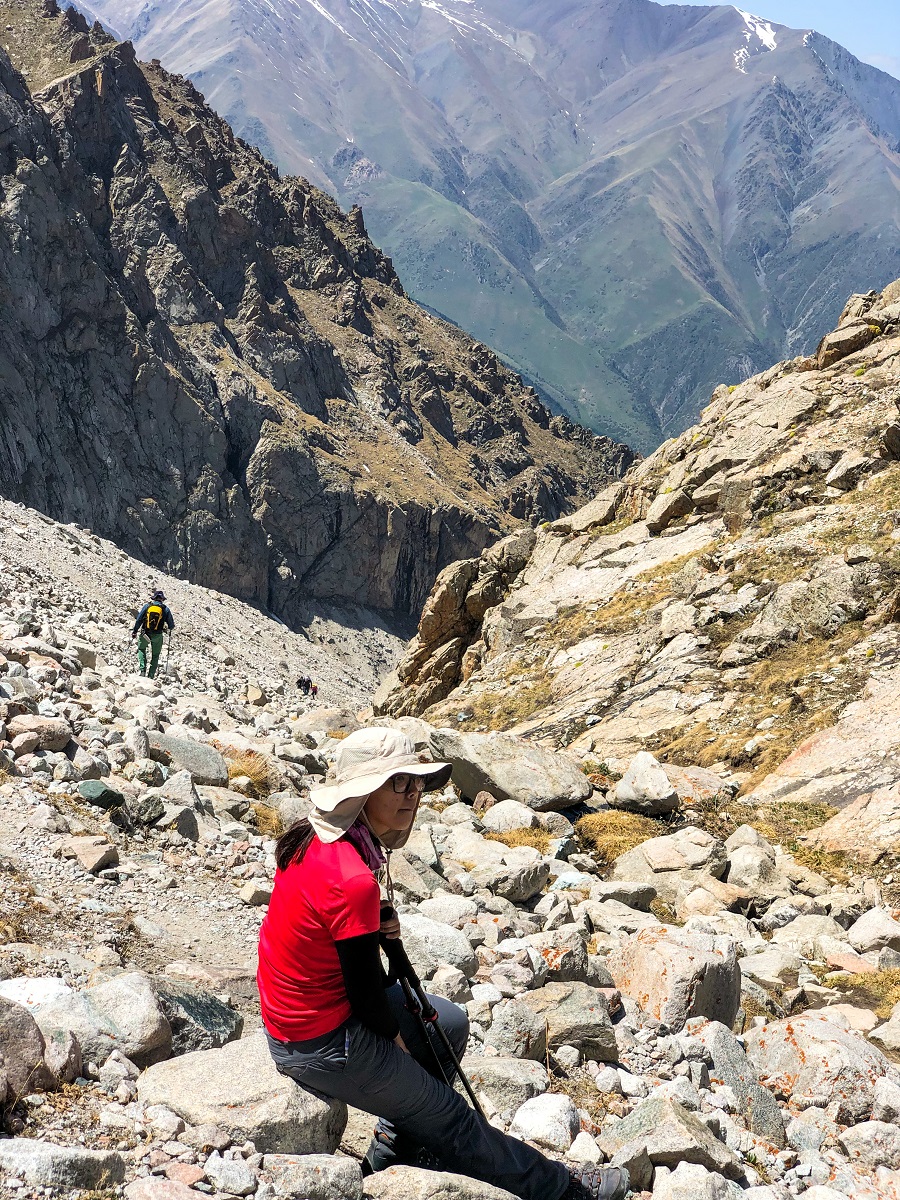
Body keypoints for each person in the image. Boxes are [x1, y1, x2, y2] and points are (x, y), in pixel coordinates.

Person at [256, 728, 630, 1200]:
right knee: (452, 1114)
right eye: (399, 782)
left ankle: (398, 1144)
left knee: (448, 1024)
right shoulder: (352, 877)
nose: (414, 793)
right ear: (363, 791)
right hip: (320, 1037)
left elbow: (325, 932)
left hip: (305, 1012)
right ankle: (565, 1187)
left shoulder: (316, 837)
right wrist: (396, 1046)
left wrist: (371, 927)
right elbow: (367, 993)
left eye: (417, 782)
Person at [131, 589, 174, 678]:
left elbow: (139, 619)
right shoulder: (165, 609)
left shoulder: (147, 606)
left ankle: (142, 670)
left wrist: (135, 631)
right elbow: (171, 625)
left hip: (145, 633)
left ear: (154, 598)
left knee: (141, 649)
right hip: (157, 635)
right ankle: (151, 676)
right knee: (155, 655)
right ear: (162, 599)